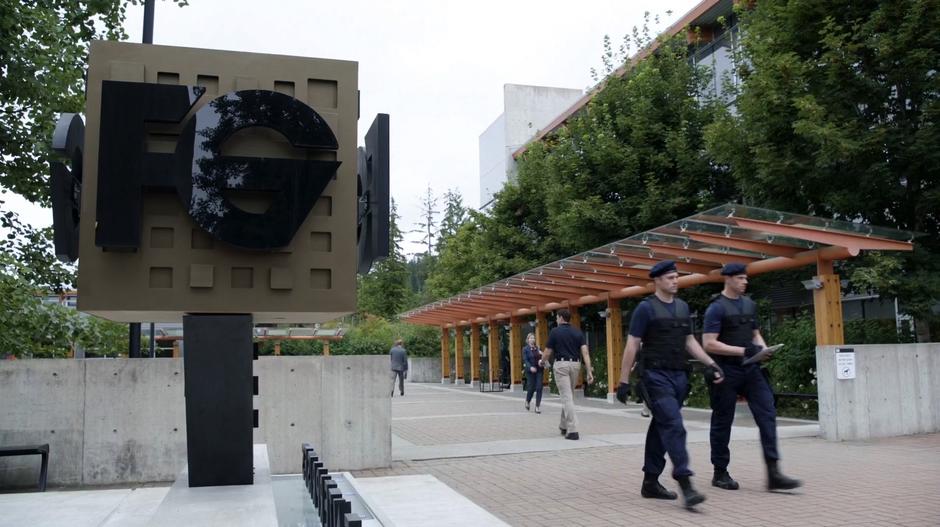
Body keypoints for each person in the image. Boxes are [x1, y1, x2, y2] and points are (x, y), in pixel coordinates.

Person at [615, 260, 726, 509]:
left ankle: (650, 482)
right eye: (670, 278)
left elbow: (689, 340)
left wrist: (710, 363)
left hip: (678, 377)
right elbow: (632, 344)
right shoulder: (646, 309)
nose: (675, 281)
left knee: (661, 427)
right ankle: (686, 483)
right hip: (655, 377)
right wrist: (623, 380)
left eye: (676, 277)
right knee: (674, 426)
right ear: (657, 281)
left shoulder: (682, 307)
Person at [702, 262, 802, 492]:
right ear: (727, 279)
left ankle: (773, 473)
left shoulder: (749, 304)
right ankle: (720, 472)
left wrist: (763, 350)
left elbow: (755, 333)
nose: (745, 281)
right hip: (726, 370)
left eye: (746, 278)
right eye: (740, 278)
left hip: (751, 370)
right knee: (722, 421)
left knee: (768, 414)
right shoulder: (716, 308)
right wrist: (743, 351)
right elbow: (708, 343)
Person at [542, 308, 594, 440]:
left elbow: (547, 352)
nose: (556, 320)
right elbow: (585, 353)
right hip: (575, 365)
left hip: (561, 366)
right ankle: (563, 425)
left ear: (560, 318)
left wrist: (542, 361)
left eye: (556, 317)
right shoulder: (577, 332)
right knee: (568, 396)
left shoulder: (555, 332)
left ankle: (572, 430)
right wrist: (589, 371)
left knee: (566, 398)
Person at [522, 333, 544, 413]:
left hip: (539, 370)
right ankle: (527, 401)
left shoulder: (537, 348)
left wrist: (542, 355)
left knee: (539, 387)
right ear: (528, 340)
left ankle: (537, 406)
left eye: (533, 338)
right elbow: (525, 360)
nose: (532, 339)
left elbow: (542, 357)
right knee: (531, 388)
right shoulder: (525, 349)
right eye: (530, 338)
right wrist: (530, 367)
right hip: (530, 371)